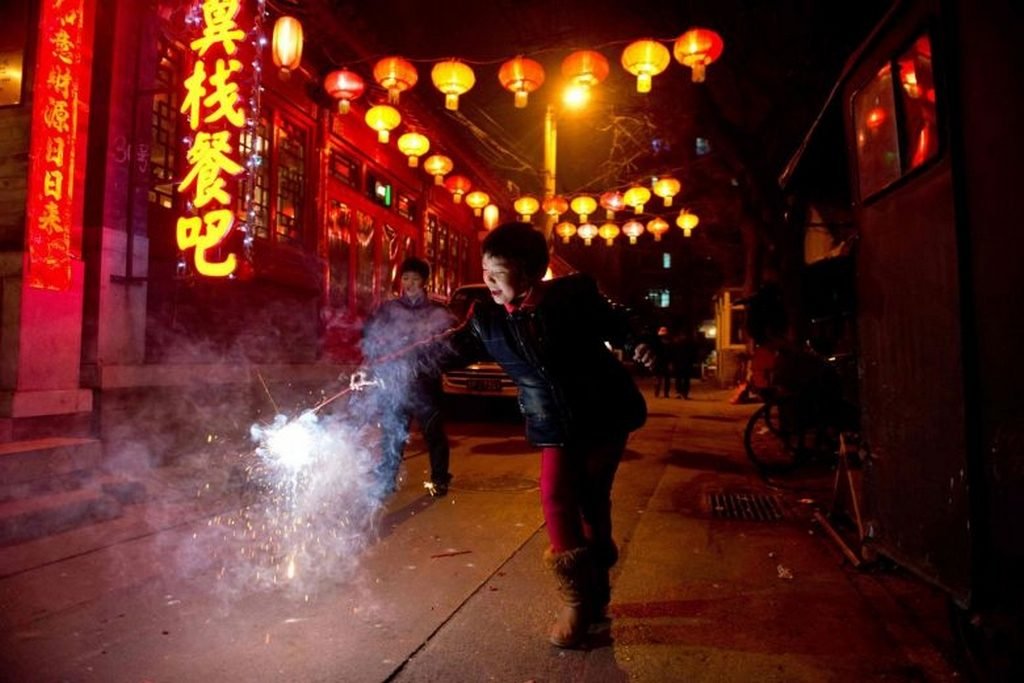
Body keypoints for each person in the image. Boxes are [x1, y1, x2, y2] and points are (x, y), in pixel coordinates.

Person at [453, 222, 653, 648]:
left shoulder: (573, 298)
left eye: (497, 272)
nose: (487, 281)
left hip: (603, 415)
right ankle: (583, 595)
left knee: (585, 497)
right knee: (561, 496)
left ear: (527, 273)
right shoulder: (486, 318)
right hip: (553, 424)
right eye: (484, 270)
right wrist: (389, 368)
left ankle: (587, 592)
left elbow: (620, 322)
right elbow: (445, 349)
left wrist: (640, 341)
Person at [361, 257, 456, 498]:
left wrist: (427, 360)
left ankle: (439, 479)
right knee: (393, 431)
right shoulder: (389, 309)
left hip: (425, 384)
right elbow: (372, 335)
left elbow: (448, 346)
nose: (409, 283)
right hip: (396, 382)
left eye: (415, 279)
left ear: (424, 281)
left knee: (433, 432)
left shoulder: (437, 311)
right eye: (405, 278)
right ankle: (387, 479)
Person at [670, 331, 697, 399]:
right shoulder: (688, 344)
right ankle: (682, 393)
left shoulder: (678, 344)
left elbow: (673, 354)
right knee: (683, 379)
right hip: (683, 364)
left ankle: (681, 393)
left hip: (681, 364)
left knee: (681, 379)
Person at [652, 326, 672, 397]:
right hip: (660, 362)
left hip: (662, 362)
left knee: (663, 379)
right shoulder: (658, 343)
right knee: (659, 379)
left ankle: (663, 393)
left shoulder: (667, 343)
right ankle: (660, 392)